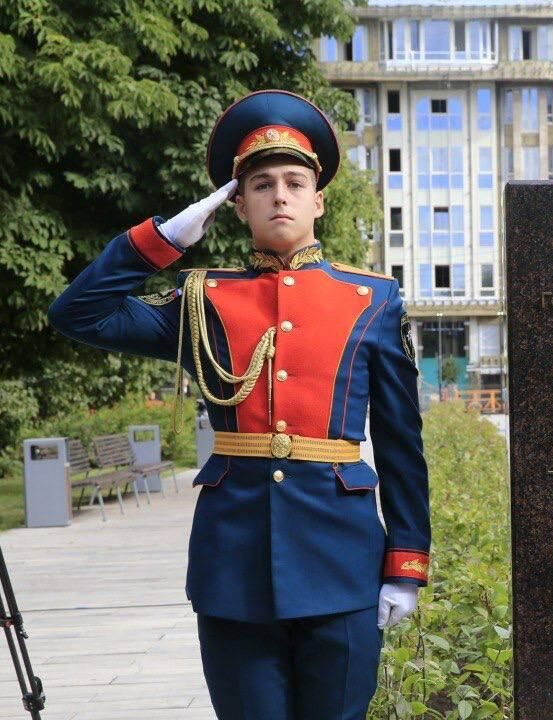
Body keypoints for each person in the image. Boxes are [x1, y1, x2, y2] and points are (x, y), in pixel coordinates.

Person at [47, 89, 431, 719]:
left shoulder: (373, 300)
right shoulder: (205, 299)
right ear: (237, 204)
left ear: (318, 199)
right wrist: (163, 240)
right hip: (235, 564)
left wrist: (406, 563)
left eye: (294, 181)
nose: (280, 195)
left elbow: (400, 447)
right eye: (260, 184)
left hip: (342, 559)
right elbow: (78, 313)